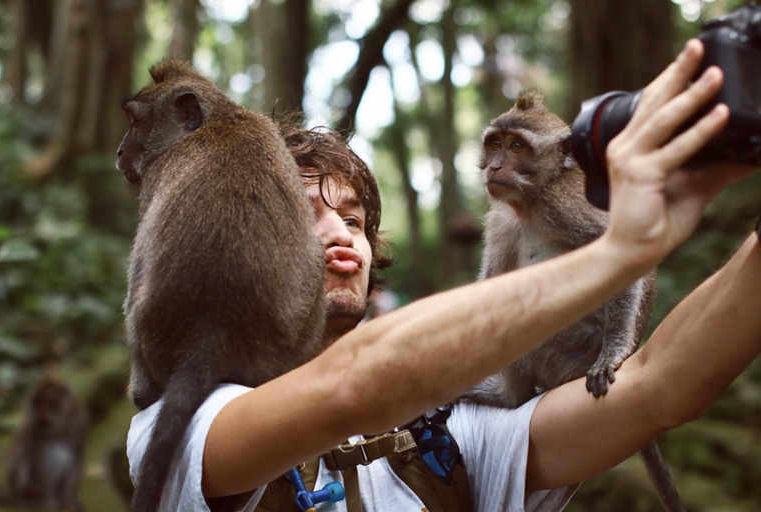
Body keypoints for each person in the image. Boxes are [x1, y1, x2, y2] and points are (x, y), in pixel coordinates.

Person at [127, 39, 761, 511]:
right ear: (247, 245)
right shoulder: (183, 418)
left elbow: (659, 386)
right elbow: (353, 384)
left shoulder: (446, 435)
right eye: (303, 215)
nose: (338, 233)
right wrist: (620, 249)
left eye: (353, 219)